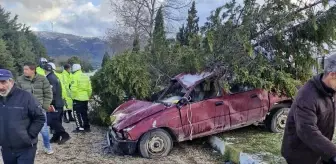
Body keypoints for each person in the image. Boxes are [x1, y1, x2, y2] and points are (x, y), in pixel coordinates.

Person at [281, 54, 336, 164]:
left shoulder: (331, 90)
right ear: (332, 75)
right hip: (299, 155)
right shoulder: (307, 95)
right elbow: (307, 130)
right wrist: (333, 153)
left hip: (318, 150)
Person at [0, 69, 45, 164]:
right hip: (6, 148)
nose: (0, 86)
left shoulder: (25, 96)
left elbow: (40, 117)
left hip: (25, 148)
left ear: (11, 81)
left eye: (3, 82)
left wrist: (29, 136)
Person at [16, 62, 54, 155]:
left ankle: (47, 147)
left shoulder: (42, 79)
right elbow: (17, 94)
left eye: (26, 69)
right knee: (29, 130)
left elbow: (48, 93)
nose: (24, 71)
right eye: (24, 69)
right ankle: (33, 148)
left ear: (33, 70)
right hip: (25, 110)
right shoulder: (19, 80)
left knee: (44, 130)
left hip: (39, 109)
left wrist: (45, 106)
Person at [44, 64, 71, 144]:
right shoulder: (55, 77)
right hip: (59, 102)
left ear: (45, 70)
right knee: (57, 120)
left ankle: (65, 135)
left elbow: (52, 92)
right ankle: (56, 137)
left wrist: (50, 103)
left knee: (53, 121)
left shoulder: (49, 78)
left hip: (54, 103)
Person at [71, 64, 92, 133]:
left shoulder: (74, 76)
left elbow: (73, 89)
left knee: (76, 113)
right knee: (84, 113)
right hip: (85, 98)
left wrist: (72, 97)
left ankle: (80, 128)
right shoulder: (85, 76)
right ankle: (87, 127)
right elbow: (89, 89)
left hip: (77, 98)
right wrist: (88, 96)